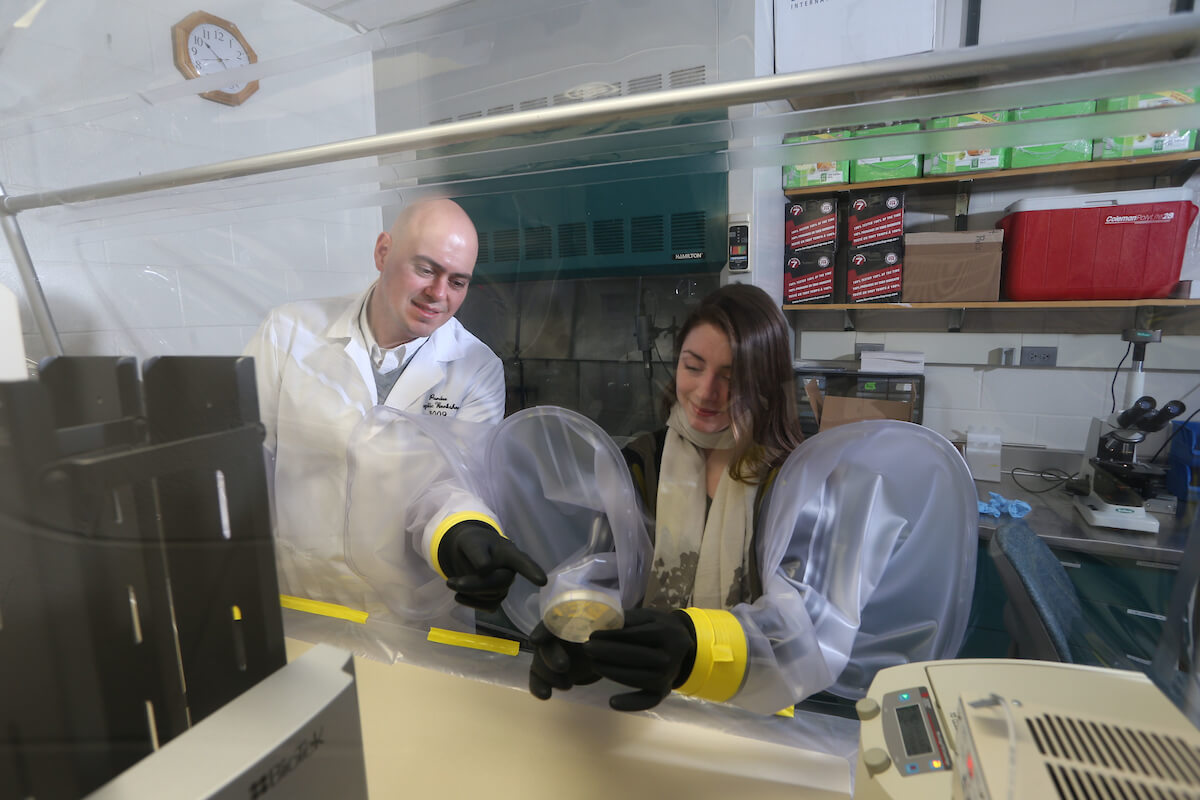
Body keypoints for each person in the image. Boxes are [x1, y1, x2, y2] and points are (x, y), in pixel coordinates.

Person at [245, 196, 544, 615]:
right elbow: (244, 461)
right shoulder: (289, 332)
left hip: (411, 615)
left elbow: (452, 485)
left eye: (457, 281)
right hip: (305, 597)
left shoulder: (476, 368)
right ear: (383, 252)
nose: (438, 294)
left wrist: (466, 532)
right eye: (426, 269)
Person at [528, 282, 806, 712]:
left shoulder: (789, 481)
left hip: (758, 712)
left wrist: (696, 645)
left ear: (764, 383)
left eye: (731, 379)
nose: (705, 392)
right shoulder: (644, 461)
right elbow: (605, 571)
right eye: (693, 367)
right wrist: (580, 634)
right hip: (645, 700)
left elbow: (802, 631)